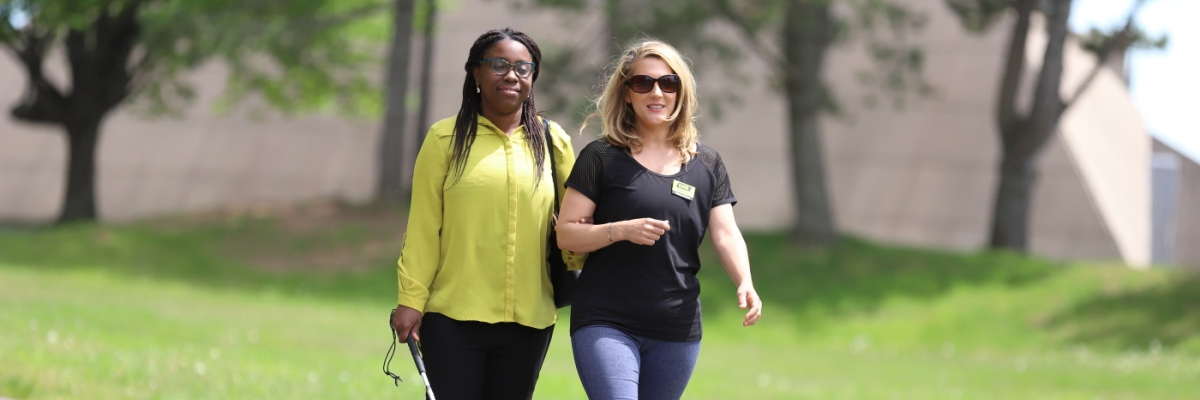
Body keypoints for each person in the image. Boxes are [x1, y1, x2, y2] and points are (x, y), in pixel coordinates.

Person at [555, 39, 763, 399]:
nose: (657, 92)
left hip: (676, 327)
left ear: (681, 92)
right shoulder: (600, 157)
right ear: (627, 93)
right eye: (643, 83)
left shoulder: (707, 163)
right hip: (606, 320)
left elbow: (726, 233)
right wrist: (619, 230)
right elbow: (567, 235)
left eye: (668, 83)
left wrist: (744, 280)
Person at [389, 27, 580, 400]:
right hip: (452, 317)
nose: (512, 75)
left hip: (529, 320)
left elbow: (574, 226)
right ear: (475, 73)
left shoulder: (554, 140)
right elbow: (424, 227)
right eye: (499, 65)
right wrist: (411, 300)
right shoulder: (444, 139)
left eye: (523, 68)